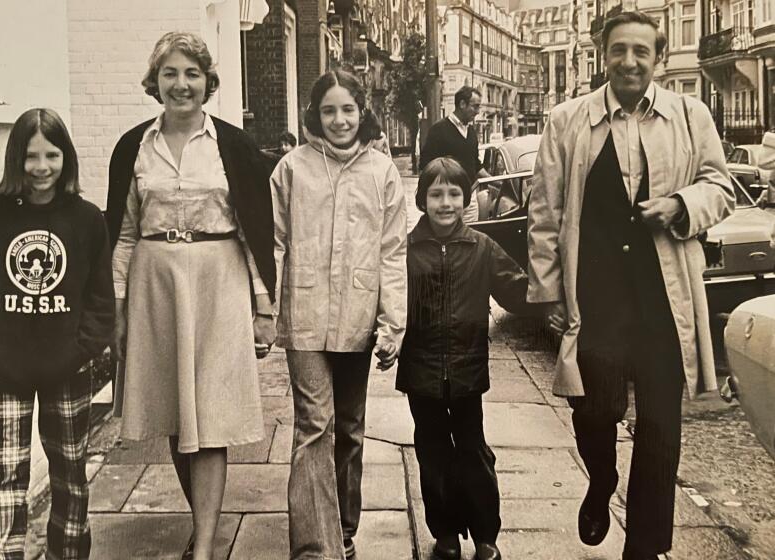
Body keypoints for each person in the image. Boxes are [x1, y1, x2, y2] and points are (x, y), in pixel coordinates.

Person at [527, 11, 734, 560]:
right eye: (619, 50)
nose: (630, 62)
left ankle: (645, 547)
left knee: (662, 425)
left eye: (642, 51)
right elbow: (544, 213)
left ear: (658, 59)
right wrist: (547, 291)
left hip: (665, 298)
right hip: (595, 297)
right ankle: (600, 480)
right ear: (603, 55)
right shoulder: (567, 120)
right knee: (594, 411)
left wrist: (681, 204)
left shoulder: (690, 116)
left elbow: (721, 187)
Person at [105, 32, 276, 560]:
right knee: (176, 418)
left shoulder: (234, 145)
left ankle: (203, 545)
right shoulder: (133, 145)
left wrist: (263, 307)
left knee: (211, 417)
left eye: (192, 74)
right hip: (155, 286)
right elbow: (126, 232)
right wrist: (116, 308)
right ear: (155, 82)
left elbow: (255, 230)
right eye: (171, 74)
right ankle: (203, 522)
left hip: (217, 282)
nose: (182, 85)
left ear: (208, 82)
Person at [0, 108, 115, 559]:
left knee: (69, 473)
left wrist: (80, 350)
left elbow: (101, 302)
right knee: (4, 474)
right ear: (15, 160)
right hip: (6, 371)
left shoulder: (86, 219)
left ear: (66, 158)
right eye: (30, 156)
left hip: (67, 369)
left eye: (51, 155)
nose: (41, 167)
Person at [270, 69, 408, 559]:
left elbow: (393, 250)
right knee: (314, 425)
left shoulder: (381, 172)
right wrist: (266, 311)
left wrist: (394, 323)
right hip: (304, 314)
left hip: (358, 314)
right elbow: (275, 244)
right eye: (328, 110)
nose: (339, 119)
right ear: (315, 114)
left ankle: (343, 532)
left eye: (347, 109)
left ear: (361, 110)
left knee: (349, 425)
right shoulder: (291, 169)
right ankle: (314, 547)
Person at [397, 157, 533, 560]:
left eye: (453, 194)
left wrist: (554, 293)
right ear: (422, 200)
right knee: (433, 452)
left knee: (473, 450)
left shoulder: (482, 248)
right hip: (421, 372)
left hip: (467, 371)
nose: (445, 202)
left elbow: (517, 291)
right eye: (436, 194)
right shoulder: (405, 250)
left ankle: (486, 534)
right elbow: (386, 299)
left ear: (465, 199)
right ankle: (446, 534)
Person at [419, 85, 491, 222]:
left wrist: (495, 180)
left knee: (468, 238)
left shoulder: (471, 133)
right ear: (462, 104)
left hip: (470, 202)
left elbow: (475, 164)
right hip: (447, 202)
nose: (477, 111)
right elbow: (425, 166)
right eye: (475, 106)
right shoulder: (438, 130)